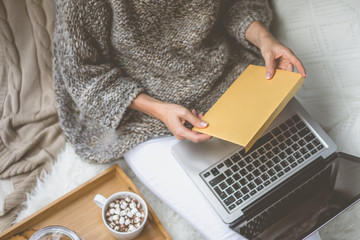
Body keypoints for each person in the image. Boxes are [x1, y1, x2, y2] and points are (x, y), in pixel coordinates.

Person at [53, 0, 306, 164]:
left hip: (226, 71)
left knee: (300, 167)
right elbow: (83, 73)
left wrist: (264, 39)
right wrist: (160, 109)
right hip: (140, 106)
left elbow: (235, 5)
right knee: (225, 210)